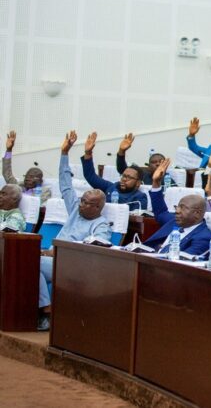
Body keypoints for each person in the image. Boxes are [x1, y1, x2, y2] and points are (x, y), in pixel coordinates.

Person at [38, 131, 112, 331]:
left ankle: (45, 311)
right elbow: (65, 184)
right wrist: (64, 153)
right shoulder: (75, 210)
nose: (81, 205)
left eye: (87, 203)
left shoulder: (101, 226)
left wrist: (55, 252)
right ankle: (44, 309)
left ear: (97, 208)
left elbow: (92, 250)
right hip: (53, 259)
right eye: (82, 201)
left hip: (72, 264)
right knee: (27, 264)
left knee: (31, 264)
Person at [143, 158, 211, 256]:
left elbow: (182, 262)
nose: (177, 211)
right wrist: (156, 182)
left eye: (183, 208)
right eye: (177, 207)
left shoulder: (203, 237)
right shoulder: (174, 221)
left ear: (197, 214)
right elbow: (161, 212)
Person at [81, 132, 148, 211]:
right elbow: (90, 176)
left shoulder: (140, 197)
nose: (124, 179)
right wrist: (88, 153)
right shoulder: (111, 187)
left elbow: (136, 219)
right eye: (123, 176)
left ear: (138, 183)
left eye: (129, 177)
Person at [3, 131, 51, 203]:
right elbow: (7, 173)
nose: (27, 179)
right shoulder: (19, 186)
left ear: (40, 181)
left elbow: (39, 206)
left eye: (32, 177)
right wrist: (9, 150)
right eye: (27, 176)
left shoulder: (45, 191)